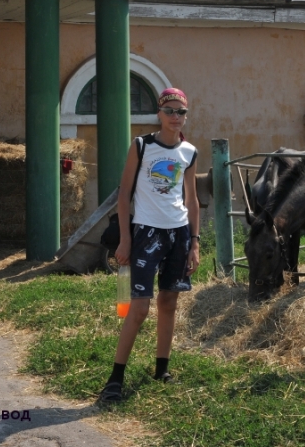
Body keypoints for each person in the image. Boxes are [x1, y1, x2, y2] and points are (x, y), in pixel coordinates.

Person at [98, 88, 200, 404]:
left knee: (169, 302)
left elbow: (192, 200)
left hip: (179, 234)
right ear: (159, 113)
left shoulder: (190, 152)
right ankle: (115, 378)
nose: (175, 117)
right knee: (139, 307)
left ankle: (162, 369)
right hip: (147, 234)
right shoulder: (142, 146)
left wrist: (194, 243)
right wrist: (126, 239)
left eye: (181, 112)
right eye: (169, 110)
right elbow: (124, 194)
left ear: (186, 115)